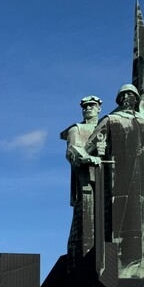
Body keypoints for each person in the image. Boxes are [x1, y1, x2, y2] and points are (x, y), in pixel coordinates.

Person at [87, 84, 144, 278]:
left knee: (143, 221)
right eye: (124, 95)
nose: (128, 98)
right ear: (119, 100)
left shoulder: (142, 121)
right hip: (118, 175)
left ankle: (142, 265)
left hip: (143, 177)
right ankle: (122, 266)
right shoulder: (111, 119)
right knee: (121, 220)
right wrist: (99, 148)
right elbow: (90, 145)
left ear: (136, 100)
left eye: (131, 95)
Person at [61, 95, 103, 268]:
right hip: (85, 182)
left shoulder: (106, 126)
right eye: (85, 106)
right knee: (84, 223)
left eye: (91, 106)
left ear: (99, 108)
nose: (88, 109)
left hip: (107, 181)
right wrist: (88, 158)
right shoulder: (76, 129)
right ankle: (79, 263)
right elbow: (72, 151)